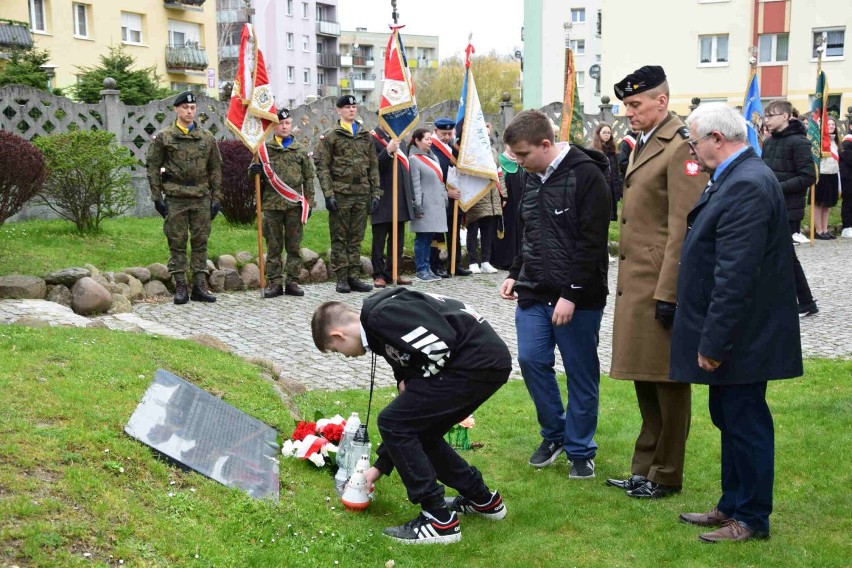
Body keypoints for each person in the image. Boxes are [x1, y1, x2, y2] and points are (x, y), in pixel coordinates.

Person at [671, 102, 802, 543]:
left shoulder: (746, 182)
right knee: (729, 417)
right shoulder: (737, 175)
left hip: (744, 336)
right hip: (741, 334)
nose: (691, 147)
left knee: (745, 423)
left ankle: (750, 518)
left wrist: (713, 342)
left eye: (694, 139)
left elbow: (736, 274)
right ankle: (731, 504)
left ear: (716, 139)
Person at [311, 289, 512, 544]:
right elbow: (407, 356)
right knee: (420, 431)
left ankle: (438, 520)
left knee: (392, 422)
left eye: (338, 350)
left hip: (475, 364)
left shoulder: (380, 317)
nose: (347, 356)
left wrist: (419, 381)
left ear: (337, 335)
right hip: (484, 361)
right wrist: (378, 469)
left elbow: (440, 344)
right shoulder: (377, 321)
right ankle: (483, 500)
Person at [607, 65, 708, 499]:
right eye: (626, 105)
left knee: (668, 382)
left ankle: (666, 473)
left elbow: (684, 227)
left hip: (660, 283)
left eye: (635, 104)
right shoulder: (647, 142)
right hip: (639, 280)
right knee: (644, 377)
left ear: (661, 102)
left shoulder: (681, 146)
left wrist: (670, 291)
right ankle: (643, 467)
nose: (628, 112)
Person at [499, 109, 611, 479]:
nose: (518, 162)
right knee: (531, 362)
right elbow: (528, 232)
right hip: (534, 292)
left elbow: (593, 243)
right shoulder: (530, 178)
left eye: (523, 155)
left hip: (579, 297)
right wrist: (515, 273)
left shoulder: (588, 175)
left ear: (546, 145)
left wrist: (572, 295)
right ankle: (555, 434)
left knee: (581, 373)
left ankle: (581, 449)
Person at [147, 91, 222, 305]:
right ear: (176, 110)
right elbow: (152, 166)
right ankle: (180, 285)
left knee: (200, 241)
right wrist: (156, 196)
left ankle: (199, 285)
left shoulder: (206, 137)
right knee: (177, 242)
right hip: (176, 196)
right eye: (185, 108)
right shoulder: (164, 137)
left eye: (192, 108)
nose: (189, 111)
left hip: (200, 196)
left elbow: (216, 168)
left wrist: (216, 198)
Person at [314, 95, 381, 294]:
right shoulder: (331, 136)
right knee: (339, 237)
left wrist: (376, 192)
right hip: (341, 193)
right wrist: (328, 194)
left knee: (356, 237)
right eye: (347, 107)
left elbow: (373, 165)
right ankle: (341, 277)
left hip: (362, 193)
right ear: (339, 111)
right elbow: (322, 166)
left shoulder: (364, 135)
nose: (352, 110)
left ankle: (353, 276)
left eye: (354, 107)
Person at [247, 108, 315, 298]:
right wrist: (253, 171)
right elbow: (251, 177)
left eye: (287, 123)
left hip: (295, 206)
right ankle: (275, 282)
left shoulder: (299, 149)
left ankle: (292, 281)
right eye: (280, 123)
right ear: (273, 126)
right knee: (274, 246)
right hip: (272, 205)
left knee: (294, 246)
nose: (284, 127)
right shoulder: (264, 149)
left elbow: (309, 178)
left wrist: (309, 203)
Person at [761, 100, 819, 316]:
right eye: (766, 116)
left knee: (786, 256)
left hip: (788, 208)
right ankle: (783, 300)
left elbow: (808, 177)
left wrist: (777, 187)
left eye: (771, 115)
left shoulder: (799, 142)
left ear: (785, 116)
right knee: (772, 255)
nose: (767, 120)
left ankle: (806, 303)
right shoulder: (769, 142)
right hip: (770, 205)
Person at [369, 124, 414, 287]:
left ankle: (393, 271)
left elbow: (404, 170)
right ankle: (379, 274)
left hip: (399, 197)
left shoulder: (398, 140)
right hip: (382, 196)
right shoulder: (372, 138)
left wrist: (410, 197)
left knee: (397, 240)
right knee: (379, 239)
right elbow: (373, 167)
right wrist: (387, 151)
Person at [429, 118, 472, 278]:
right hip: (440, 197)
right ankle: (436, 265)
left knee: (454, 232)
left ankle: (455, 263)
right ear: (436, 131)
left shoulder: (454, 148)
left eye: (449, 133)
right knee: (438, 234)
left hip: (456, 197)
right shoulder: (431, 148)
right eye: (443, 133)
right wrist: (446, 192)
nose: (446, 137)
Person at [409, 128, 448, 282]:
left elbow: (439, 181)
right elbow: (415, 185)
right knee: (422, 238)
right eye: (426, 139)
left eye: (430, 139)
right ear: (417, 141)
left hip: (435, 204)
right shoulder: (414, 159)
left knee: (429, 237)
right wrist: (417, 205)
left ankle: (427, 267)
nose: (430, 142)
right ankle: (421, 269)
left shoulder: (433, 158)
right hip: (424, 204)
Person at [490, 148, 524, 269]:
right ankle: (503, 260)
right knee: (505, 228)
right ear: (506, 146)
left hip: (520, 202)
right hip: (505, 202)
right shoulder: (500, 161)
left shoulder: (523, 162)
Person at [814, 116, 840, 239]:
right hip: (822, 175)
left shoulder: (836, 141)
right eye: (828, 124)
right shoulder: (820, 141)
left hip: (833, 174)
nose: (831, 126)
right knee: (819, 203)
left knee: (828, 204)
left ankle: (825, 229)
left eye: (833, 125)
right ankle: (818, 231)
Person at [592, 122, 622, 221]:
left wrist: (617, 191)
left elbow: (616, 172)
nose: (607, 135)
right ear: (598, 133)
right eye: (604, 132)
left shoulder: (612, 151)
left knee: (608, 216)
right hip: (599, 187)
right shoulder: (593, 151)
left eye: (609, 133)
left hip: (611, 186)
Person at [841, 122, 852, 238]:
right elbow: (848, 157)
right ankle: (847, 226)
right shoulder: (847, 140)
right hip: (848, 177)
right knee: (849, 201)